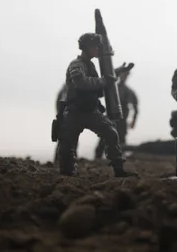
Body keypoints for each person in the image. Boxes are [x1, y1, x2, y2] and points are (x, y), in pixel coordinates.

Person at [56, 32, 138, 178]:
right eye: (95, 47)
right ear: (87, 47)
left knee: (111, 133)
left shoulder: (91, 65)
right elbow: (82, 83)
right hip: (74, 112)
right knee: (67, 145)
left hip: (90, 111)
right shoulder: (76, 65)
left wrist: (116, 73)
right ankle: (66, 173)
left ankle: (118, 169)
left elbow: (99, 87)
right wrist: (104, 81)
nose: (98, 50)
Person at [94, 62, 139, 159]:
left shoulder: (129, 92)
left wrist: (133, 121)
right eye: (123, 74)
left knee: (121, 141)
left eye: (126, 75)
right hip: (109, 117)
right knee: (103, 139)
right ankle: (97, 158)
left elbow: (135, 107)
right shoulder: (112, 88)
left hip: (122, 120)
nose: (124, 76)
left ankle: (119, 160)